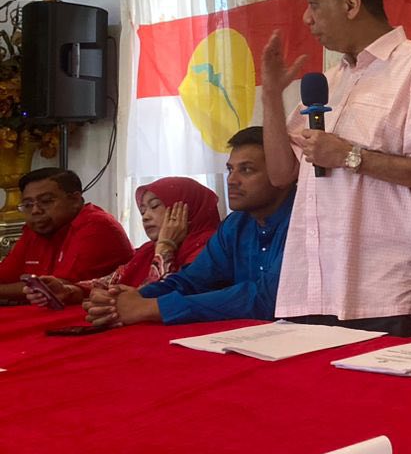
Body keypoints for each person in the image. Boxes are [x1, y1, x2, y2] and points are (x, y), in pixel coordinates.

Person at [261, 0, 411, 338]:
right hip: (316, 286)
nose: (306, 18)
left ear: (351, 4)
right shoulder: (329, 81)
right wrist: (271, 96)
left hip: (386, 291)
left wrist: (349, 156)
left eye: (314, 3)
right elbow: (281, 173)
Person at [84, 128, 294, 326]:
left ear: (284, 172)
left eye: (246, 170)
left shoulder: (303, 222)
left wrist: (150, 307)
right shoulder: (236, 224)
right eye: (230, 170)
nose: (231, 180)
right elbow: (194, 280)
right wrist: (132, 297)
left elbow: (267, 299)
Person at [22, 177, 220, 308]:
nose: (145, 217)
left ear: (188, 209)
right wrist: (68, 291)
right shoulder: (147, 251)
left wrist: (166, 246)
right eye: (143, 210)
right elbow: (112, 281)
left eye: (154, 206)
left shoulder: (209, 247)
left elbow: (160, 295)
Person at [0, 168, 131, 303]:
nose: (35, 211)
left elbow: (58, 287)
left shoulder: (97, 225)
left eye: (46, 201)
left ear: (75, 200)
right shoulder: (37, 229)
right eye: (28, 205)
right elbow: (5, 276)